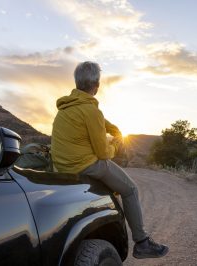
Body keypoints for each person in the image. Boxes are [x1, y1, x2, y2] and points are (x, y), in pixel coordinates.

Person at [51, 61, 169, 259]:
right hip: (85, 165)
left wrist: (112, 127)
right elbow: (103, 153)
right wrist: (116, 143)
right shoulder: (91, 110)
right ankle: (142, 243)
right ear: (96, 85)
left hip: (62, 166)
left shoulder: (66, 108)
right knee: (130, 189)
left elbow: (97, 120)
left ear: (77, 82)